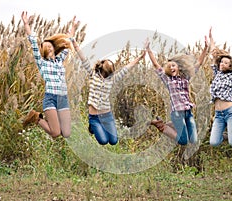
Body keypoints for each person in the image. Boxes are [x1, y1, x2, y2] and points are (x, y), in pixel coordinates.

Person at [71, 37, 146, 145]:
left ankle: (102, 128)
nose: (109, 74)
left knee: (113, 141)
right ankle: (92, 126)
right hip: (95, 117)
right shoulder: (93, 74)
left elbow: (126, 68)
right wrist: (74, 42)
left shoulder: (112, 79)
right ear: (102, 68)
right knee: (103, 141)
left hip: (107, 115)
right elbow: (83, 58)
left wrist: (139, 58)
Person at [21, 11, 79, 139]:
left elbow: (67, 42)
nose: (49, 47)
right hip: (51, 98)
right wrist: (26, 24)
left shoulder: (59, 60)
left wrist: (73, 27)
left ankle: (43, 119)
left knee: (67, 133)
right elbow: (33, 43)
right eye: (46, 46)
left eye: (50, 45)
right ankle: (35, 118)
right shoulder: (42, 63)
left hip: (62, 98)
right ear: (43, 50)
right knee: (55, 133)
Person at [147, 37, 208, 145]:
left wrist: (205, 48)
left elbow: (198, 63)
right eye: (169, 67)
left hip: (188, 113)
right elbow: (156, 65)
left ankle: (166, 123)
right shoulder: (167, 79)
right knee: (183, 141)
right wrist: (148, 50)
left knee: (193, 140)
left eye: (173, 66)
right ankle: (162, 126)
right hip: (177, 113)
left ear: (178, 67)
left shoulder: (186, 77)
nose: (171, 68)